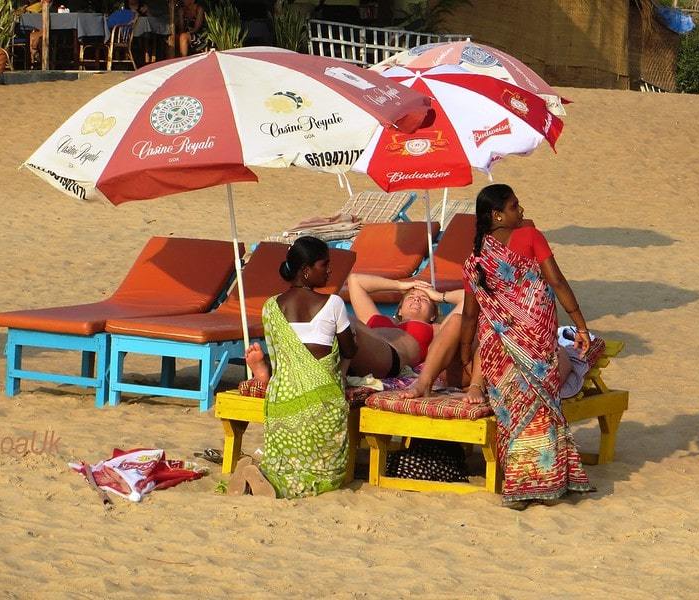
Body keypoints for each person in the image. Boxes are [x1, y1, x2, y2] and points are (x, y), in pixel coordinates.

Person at [402, 184, 594, 509]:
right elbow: (557, 281)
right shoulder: (532, 238)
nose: (521, 211)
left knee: (512, 416)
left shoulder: (475, 259)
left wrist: (466, 350)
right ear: (497, 215)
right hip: (535, 345)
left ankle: (519, 487)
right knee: (541, 411)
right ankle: (547, 483)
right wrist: (580, 324)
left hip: (497, 349)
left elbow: (470, 315)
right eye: (514, 206)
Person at [229, 236, 357, 499]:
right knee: (327, 474)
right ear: (306, 270)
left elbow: (280, 356)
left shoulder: (270, 308)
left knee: (286, 460)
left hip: (282, 401)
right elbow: (350, 350)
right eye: (325, 265)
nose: (329, 270)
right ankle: (273, 484)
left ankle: (258, 471)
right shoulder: (333, 304)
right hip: (321, 400)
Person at [345, 273, 464, 379]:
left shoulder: (436, 328)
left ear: (433, 315)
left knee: (345, 321)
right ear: (400, 310)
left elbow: (466, 298)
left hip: (388, 356)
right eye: (411, 297)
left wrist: (437, 296)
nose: (417, 299)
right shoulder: (377, 318)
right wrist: (399, 285)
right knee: (341, 318)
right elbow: (355, 280)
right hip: (357, 346)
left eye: (425, 299)